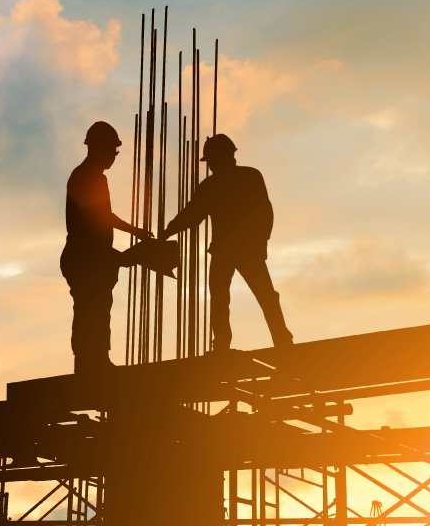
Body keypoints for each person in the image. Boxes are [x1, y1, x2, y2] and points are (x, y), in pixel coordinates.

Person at [162, 133, 293, 352]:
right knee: (232, 298)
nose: (211, 165)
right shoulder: (227, 181)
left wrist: (260, 243)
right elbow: (193, 214)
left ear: (225, 156)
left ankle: (275, 340)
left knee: (250, 297)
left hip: (240, 249)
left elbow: (263, 212)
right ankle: (266, 341)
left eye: (212, 160)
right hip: (235, 249)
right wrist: (169, 230)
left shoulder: (241, 178)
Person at [61, 121, 152, 374]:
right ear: (99, 148)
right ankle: (89, 365)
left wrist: (134, 235)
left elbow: (103, 216)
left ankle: (96, 362)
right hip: (85, 259)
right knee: (91, 311)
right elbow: (96, 219)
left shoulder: (91, 176)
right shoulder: (88, 177)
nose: (114, 156)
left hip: (91, 258)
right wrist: (124, 249)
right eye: (113, 150)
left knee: (97, 310)